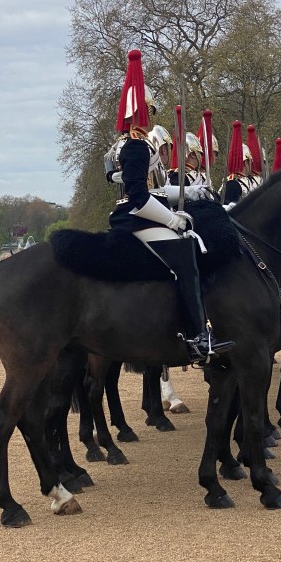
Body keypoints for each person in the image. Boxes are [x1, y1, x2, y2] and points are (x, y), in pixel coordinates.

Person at [106, 49, 233, 363]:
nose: (151, 117)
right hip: (137, 217)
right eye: (150, 111)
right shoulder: (137, 146)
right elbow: (139, 197)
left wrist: (189, 194)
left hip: (134, 214)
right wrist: (171, 220)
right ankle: (197, 336)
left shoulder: (124, 145)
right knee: (187, 258)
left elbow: (154, 188)